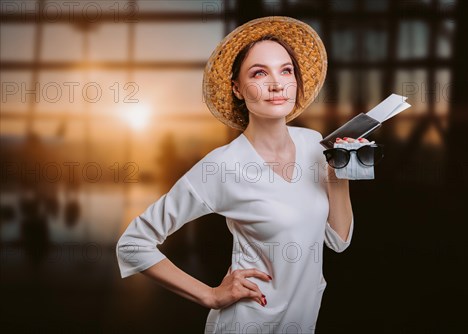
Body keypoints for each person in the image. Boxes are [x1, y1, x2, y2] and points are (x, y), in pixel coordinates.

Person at [116, 16, 367, 333]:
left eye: (286, 70)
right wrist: (211, 295)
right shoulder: (222, 166)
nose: (276, 84)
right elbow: (133, 244)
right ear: (236, 87)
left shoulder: (313, 144)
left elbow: (339, 241)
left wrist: (337, 174)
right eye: (259, 73)